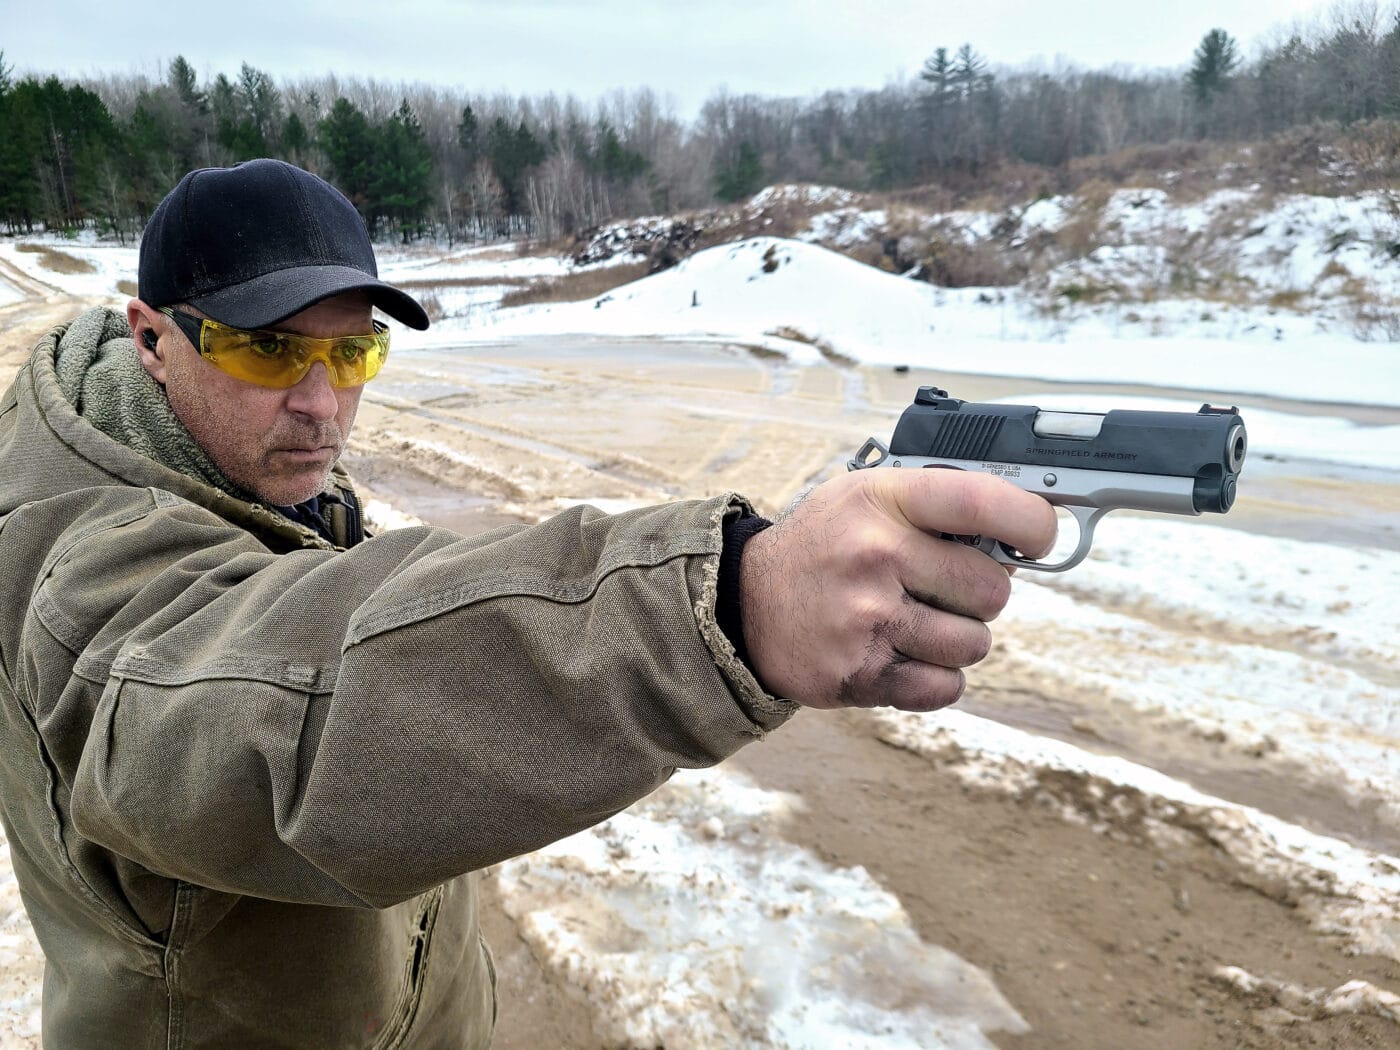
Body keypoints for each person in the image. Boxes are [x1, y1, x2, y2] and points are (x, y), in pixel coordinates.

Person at [0, 159, 1055, 1048]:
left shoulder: (235, 462)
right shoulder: (82, 552)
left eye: (352, 352)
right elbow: (281, 715)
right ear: (150, 338)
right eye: (266, 348)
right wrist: (727, 604)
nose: (320, 403)